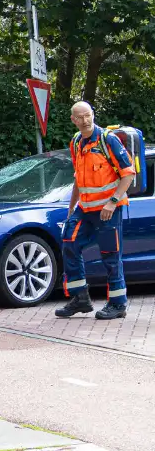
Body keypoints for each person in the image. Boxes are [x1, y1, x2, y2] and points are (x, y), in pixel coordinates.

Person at [56, 101, 137, 321]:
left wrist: (112, 202)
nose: (85, 120)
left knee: (110, 255)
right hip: (85, 208)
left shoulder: (107, 140)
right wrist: (71, 207)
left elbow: (128, 174)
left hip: (108, 209)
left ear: (93, 115)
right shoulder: (75, 142)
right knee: (69, 243)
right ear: (73, 119)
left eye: (88, 115)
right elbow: (78, 179)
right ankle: (80, 298)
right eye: (80, 117)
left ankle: (118, 304)